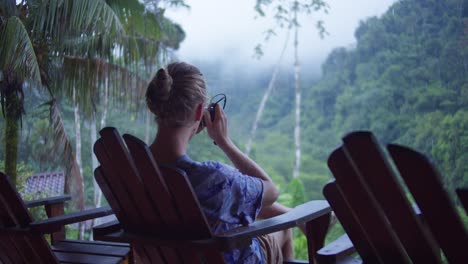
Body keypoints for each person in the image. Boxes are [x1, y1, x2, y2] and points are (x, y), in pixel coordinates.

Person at [146, 61, 294, 263]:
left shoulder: (132, 171)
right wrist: (225, 142)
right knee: (284, 228)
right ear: (200, 112)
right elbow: (271, 191)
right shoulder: (214, 179)